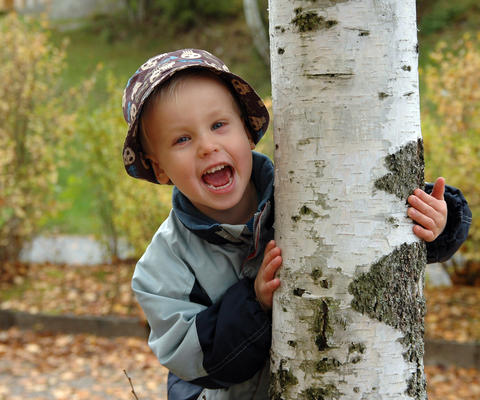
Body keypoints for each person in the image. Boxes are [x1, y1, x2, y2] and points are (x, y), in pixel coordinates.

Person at [121, 49, 471, 400]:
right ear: (159, 167)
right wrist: (253, 302)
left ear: (247, 130)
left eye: (218, 125)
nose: (207, 146)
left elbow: (367, 218)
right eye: (182, 139)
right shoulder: (160, 269)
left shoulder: (306, 188)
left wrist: (437, 221)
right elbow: (195, 359)